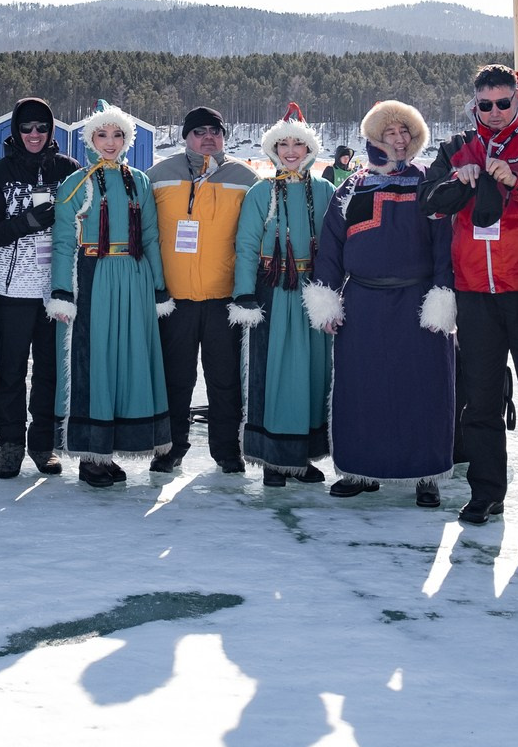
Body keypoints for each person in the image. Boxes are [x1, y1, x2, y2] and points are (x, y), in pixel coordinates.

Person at [419, 65, 518, 527]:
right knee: (480, 399)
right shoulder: (454, 147)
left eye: (502, 103)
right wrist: (456, 180)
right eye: (484, 104)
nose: (493, 111)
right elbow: (428, 200)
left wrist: (517, 181)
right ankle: (486, 492)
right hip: (474, 293)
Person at [310, 100, 456, 506]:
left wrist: (443, 297)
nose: (398, 139)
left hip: (418, 301)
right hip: (363, 303)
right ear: (374, 139)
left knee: (424, 388)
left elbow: (446, 247)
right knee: (362, 388)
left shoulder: (431, 183)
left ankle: (426, 473)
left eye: (405, 133)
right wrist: (326, 299)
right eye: (390, 133)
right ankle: (360, 470)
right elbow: (332, 248)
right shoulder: (352, 187)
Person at [47, 102, 174, 487]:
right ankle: (90, 455)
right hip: (94, 277)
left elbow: (150, 236)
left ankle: (112, 446)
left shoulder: (139, 180)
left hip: (133, 277)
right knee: (95, 361)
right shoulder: (75, 184)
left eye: (117, 135)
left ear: (127, 140)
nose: (110, 142)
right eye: (102, 134)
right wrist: (62, 291)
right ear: (89, 139)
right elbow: (64, 242)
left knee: (126, 361)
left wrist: (157, 285)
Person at [230, 105, 335, 486]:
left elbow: (337, 246)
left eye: (298, 144)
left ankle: (301, 456)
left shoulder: (326, 190)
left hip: (313, 292)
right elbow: (245, 245)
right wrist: (244, 295)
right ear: (272, 149)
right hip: (272, 289)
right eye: (283, 144)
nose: (291, 151)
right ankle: (274, 458)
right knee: (273, 372)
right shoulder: (261, 192)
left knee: (311, 372)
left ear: (310, 149)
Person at [148, 106, 256, 473]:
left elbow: (255, 237)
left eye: (215, 130)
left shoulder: (245, 178)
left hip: (223, 298)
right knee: (175, 378)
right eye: (199, 131)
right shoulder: (159, 175)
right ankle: (170, 448)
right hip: (174, 299)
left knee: (225, 382)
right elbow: (143, 233)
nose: (208, 137)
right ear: (185, 136)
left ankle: (227, 451)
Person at [0, 97, 77, 478]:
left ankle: (43, 443)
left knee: (50, 369)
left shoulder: (68, 170)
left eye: (41, 127)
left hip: (57, 289)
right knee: (12, 370)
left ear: (51, 130)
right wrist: (26, 222)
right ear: (15, 131)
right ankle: (11, 444)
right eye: (26, 128)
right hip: (12, 288)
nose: (34, 134)